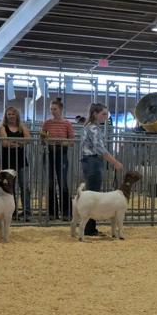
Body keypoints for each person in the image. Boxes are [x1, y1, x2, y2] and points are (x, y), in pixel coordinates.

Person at [80, 103, 124, 236]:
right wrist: (115, 162)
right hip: (93, 161)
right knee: (93, 196)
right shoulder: (93, 128)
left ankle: (89, 228)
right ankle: (89, 229)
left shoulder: (90, 127)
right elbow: (100, 149)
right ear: (95, 114)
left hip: (90, 162)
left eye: (106, 114)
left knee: (92, 195)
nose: (105, 116)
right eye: (103, 114)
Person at [41, 98, 74, 220]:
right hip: (49, 152)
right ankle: (52, 213)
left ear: (60, 109)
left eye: (55, 109)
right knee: (50, 183)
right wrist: (45, 140)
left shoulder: (67, 124)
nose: (53, 111)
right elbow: (42, 139)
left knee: (63, 183)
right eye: (51, 109)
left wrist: (61, 142)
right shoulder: (47, 123)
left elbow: (72, 141)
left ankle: (66, 213)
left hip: (62, 153)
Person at [0, 106, 31, 220]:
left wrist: (14, 142)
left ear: (17, 115)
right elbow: (5, 143)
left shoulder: (22, 127)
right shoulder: (2, 128)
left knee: (25, 187)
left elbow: (28, 140)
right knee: (9, 188)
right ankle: (12, 211)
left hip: (22, 161)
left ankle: (27, 212)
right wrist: (20, 143)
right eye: (9, 114)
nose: (11, 116)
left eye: (13, 114)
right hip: (8, 162)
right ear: (6, 116)